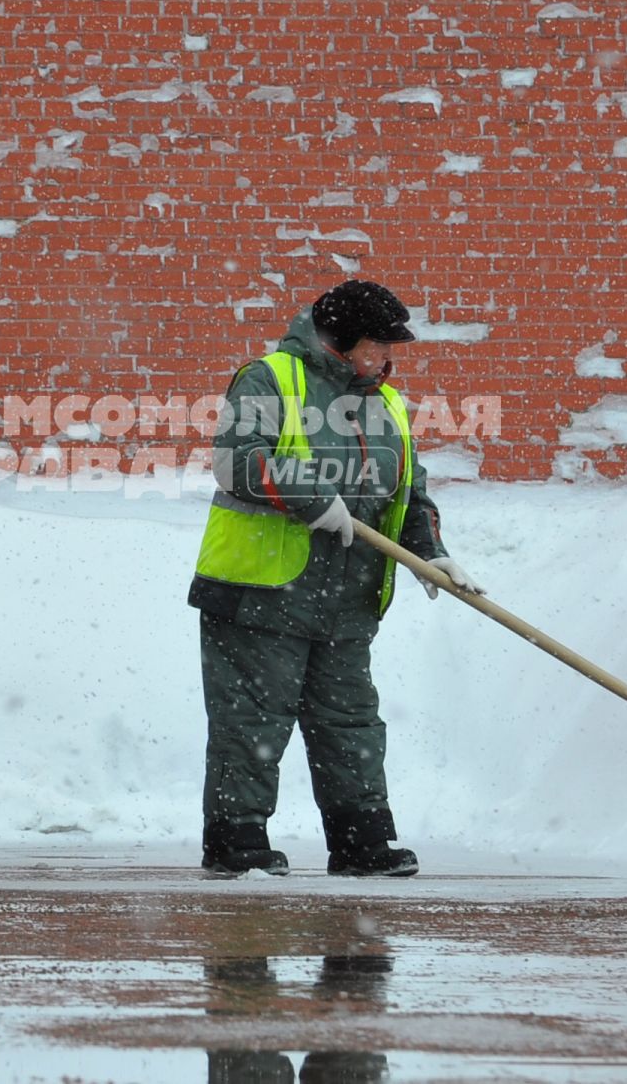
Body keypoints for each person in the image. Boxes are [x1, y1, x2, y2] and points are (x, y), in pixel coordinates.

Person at [189, 280, 485, 878]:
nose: (388, 359)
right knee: (252, 721)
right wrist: (311, 499)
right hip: (259, 591)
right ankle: (236, 843)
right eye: (377, 345)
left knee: (350, 722)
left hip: (347, 596)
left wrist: (433, 553)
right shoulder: (271, 379)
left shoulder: (387, 403)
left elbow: (408, 492)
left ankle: (361, 842)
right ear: (342, 339)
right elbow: (236, 460)